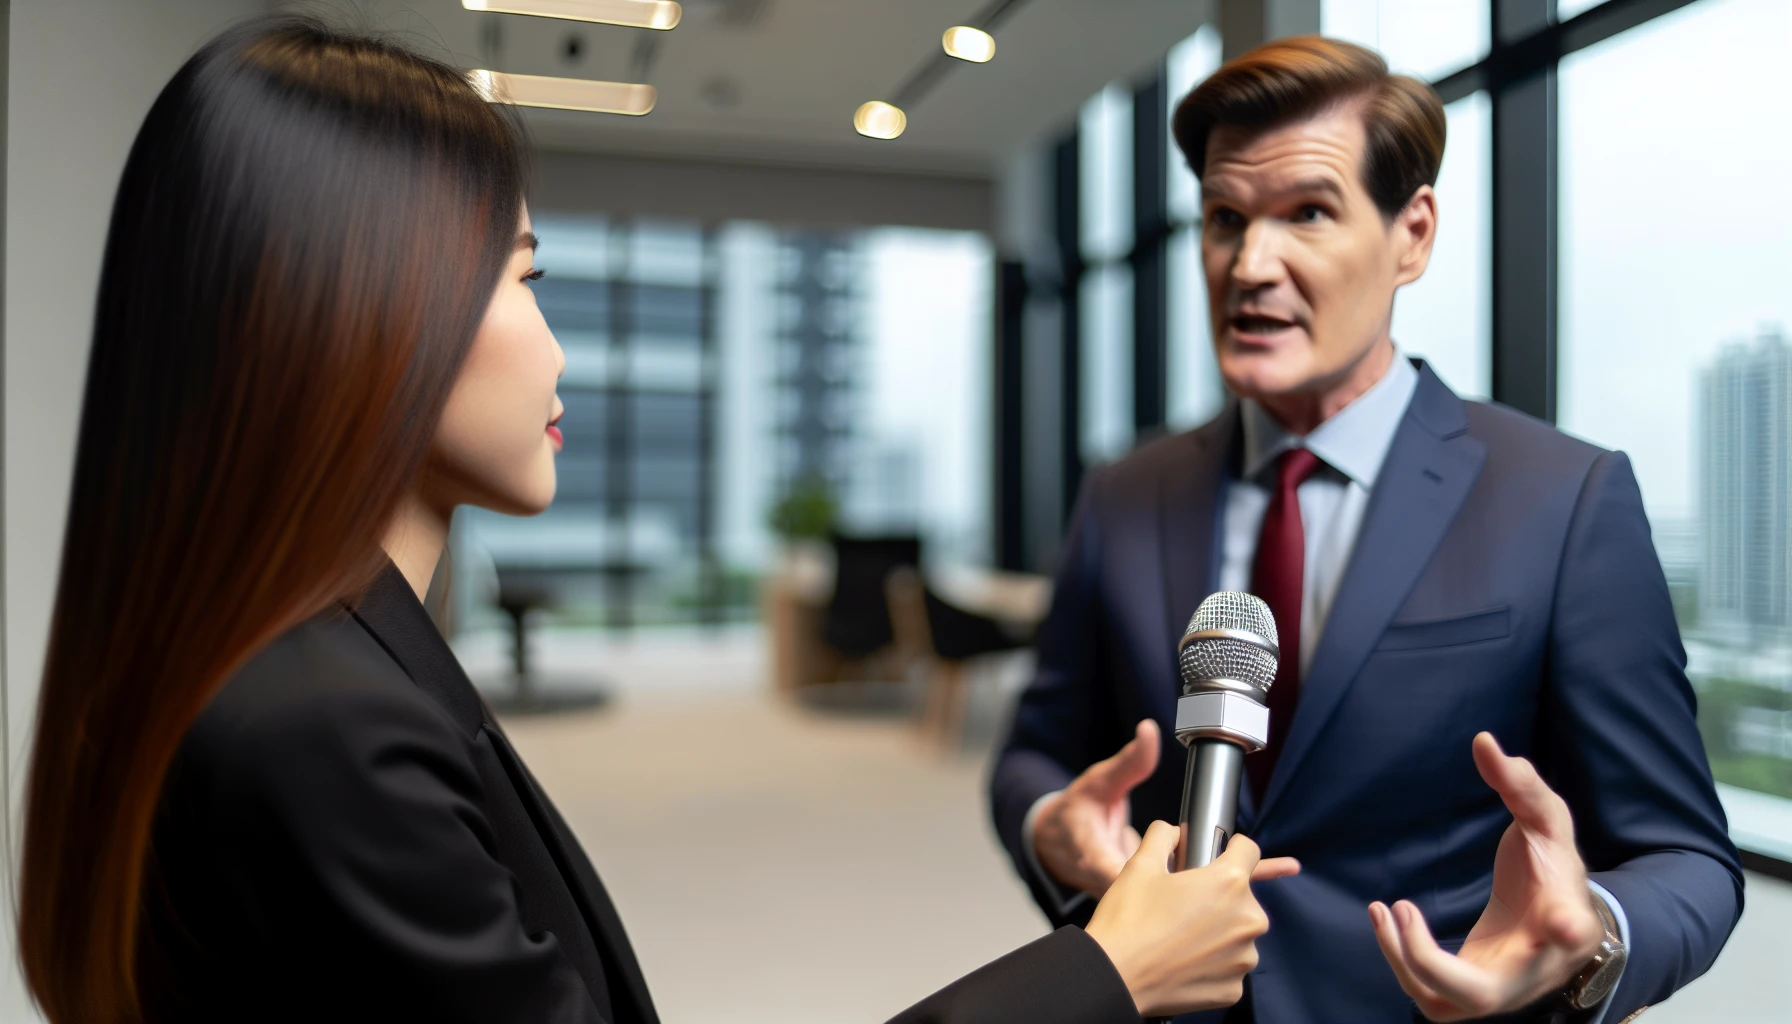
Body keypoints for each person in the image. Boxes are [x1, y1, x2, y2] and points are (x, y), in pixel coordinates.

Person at [14, 17, 1301, 1024]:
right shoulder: (320, 730)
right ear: (369, 315)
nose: (557, 350)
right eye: (524, 277)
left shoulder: (338, 660)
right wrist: (1107, 973)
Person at [989, 36, 1742, 1024]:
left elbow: (1686, 858)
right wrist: (1054, 824)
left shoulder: (1562, 497)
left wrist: (1589, 931)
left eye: (1306, 212)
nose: (1249, 265)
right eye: (1224, 219)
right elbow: (1032, 754)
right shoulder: (1123, 492)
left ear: (1411, 234)